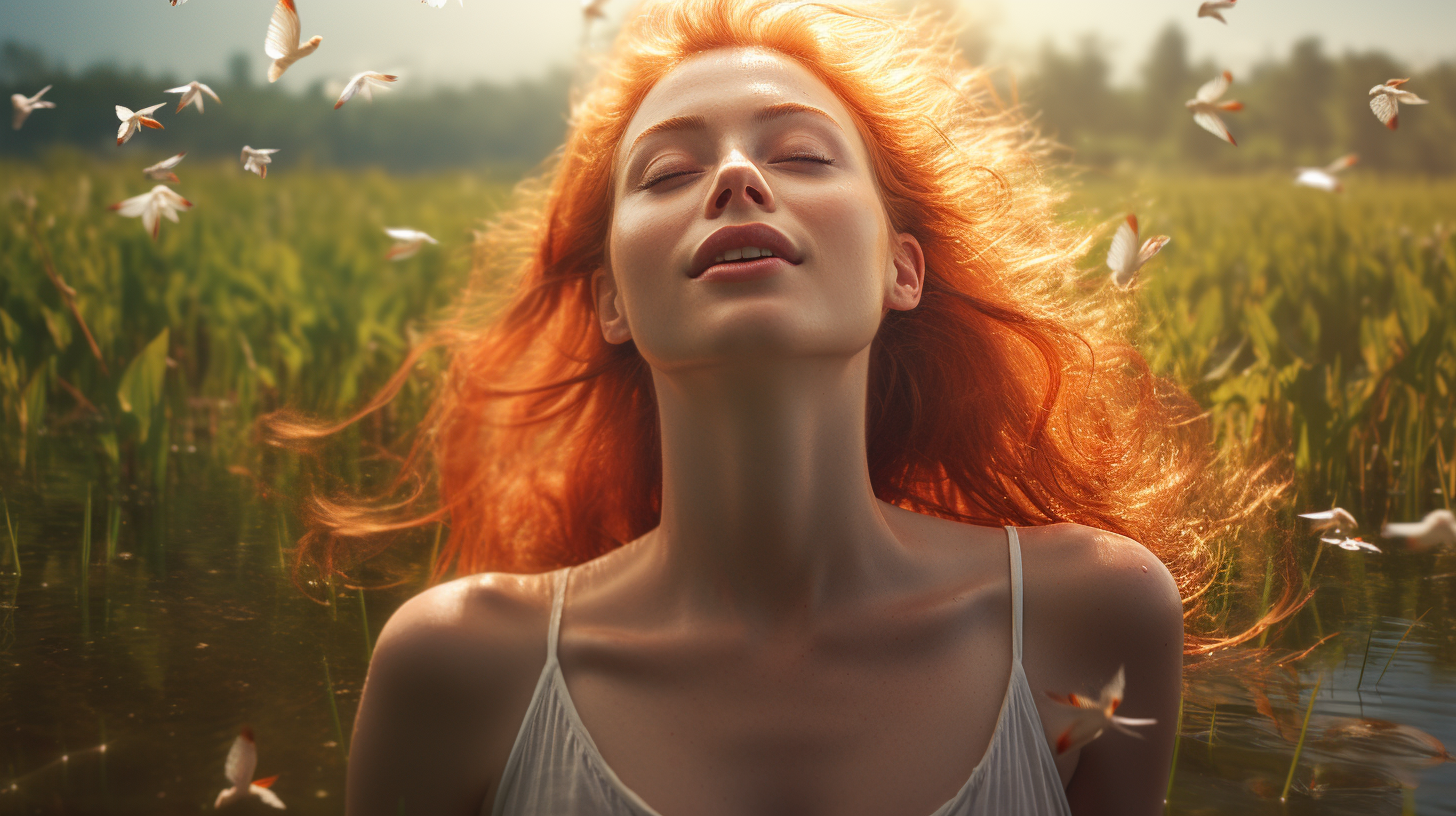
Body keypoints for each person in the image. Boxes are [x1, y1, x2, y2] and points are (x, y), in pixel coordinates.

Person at [297, 1, 1279, 813]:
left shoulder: (1092, 613)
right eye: (668, 172)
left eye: (804, 155)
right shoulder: (458, 668)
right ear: (610, 302)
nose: (736, 176)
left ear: (902, 269)